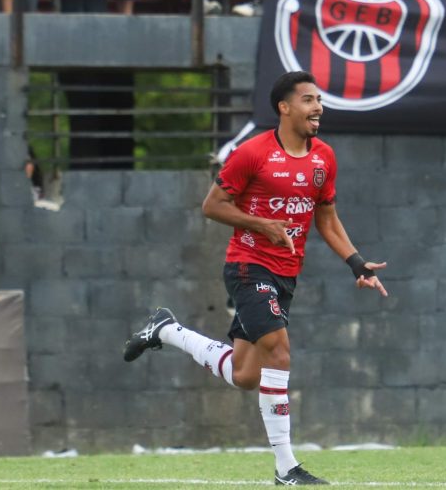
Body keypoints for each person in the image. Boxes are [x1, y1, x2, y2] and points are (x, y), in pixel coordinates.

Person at [123, 70, 388, 486]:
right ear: (284, 108)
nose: (317, 107)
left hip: (286, 276)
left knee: (247, 375)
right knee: (279, 352)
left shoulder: (324, 159)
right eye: (307, 100)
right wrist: (260, 224)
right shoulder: (252, 153)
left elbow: (327, 219)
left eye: (318, 99)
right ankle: (287, 469)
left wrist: (356, 263)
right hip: (248, 267)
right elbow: (212, 206)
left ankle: (167, 330)